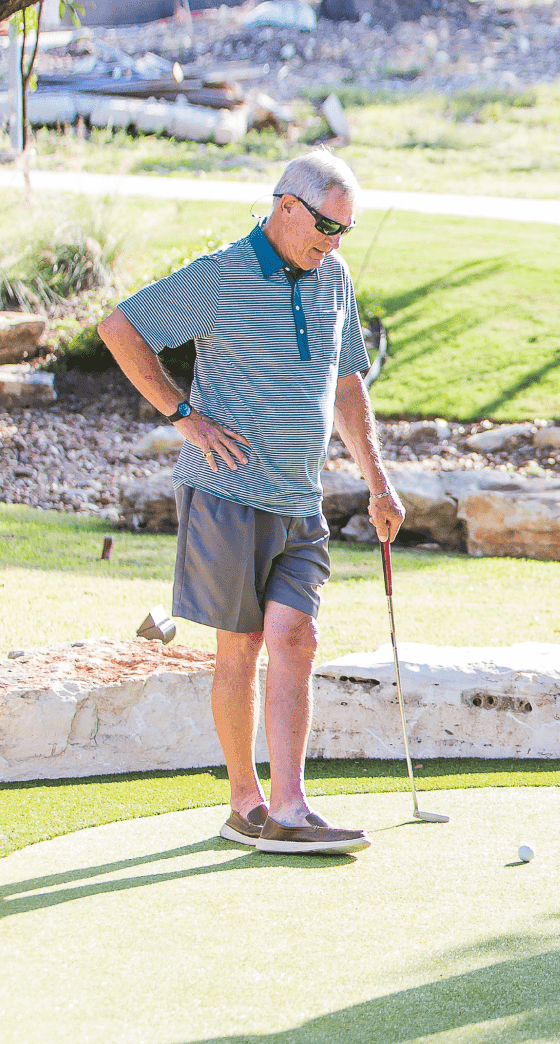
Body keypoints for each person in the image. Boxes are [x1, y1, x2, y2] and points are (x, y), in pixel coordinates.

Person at [100, 149, 405, 856]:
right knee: (239, 649)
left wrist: (378, 481)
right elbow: (121, 329)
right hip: (227, 493)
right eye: (326, 225)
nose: (333, 242)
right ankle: (247, 803)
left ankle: (292, 805)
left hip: (300, 497)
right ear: (286, 206)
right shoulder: (223, 273)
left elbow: (347, 384)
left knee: (297, 638)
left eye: (345, 231)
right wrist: (184, 417)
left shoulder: (334, 279)